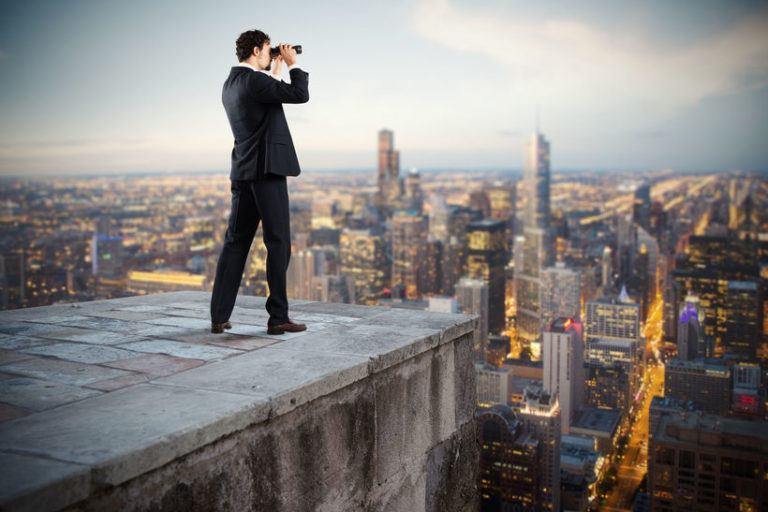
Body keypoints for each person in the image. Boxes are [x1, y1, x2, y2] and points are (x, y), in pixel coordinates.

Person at [210, 29, 309, 335]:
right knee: (278, 242)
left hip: (243, 172)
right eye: (268, 50)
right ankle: (278, 317)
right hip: (267, 172)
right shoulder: (255, 81)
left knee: (235, 242)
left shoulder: (231, 83)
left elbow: (265, 99)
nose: (271, 55)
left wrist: (273, 68)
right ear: (255, 51)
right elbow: (299, 95)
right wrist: (292, 64)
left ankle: (218, 315)